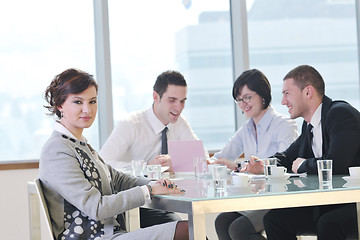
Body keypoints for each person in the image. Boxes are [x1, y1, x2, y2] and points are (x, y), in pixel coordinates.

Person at [39, 68, 189, 240]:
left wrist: (156, 183)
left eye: (92, 101)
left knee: (188, 229)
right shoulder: (57, 149)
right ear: (60, 105)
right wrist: (148, 190)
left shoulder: (80, 145)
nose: (87, 110)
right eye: (78, 102)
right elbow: (95, 207)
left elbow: (117, 179)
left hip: (110, 233)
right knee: (187, 231)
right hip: (93, 237)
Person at [244, 65, 360, 240]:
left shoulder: (340, 114)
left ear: (308, 92)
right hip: (328, 204)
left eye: (287, 93)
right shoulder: (309, 125)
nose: (283, 101)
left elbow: (336, 164)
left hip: (353, 205)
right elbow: (288, 157)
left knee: (328, 223)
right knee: (275, 220)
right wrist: (263, 164)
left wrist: (303, 165)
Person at [100, 70, 204, 228]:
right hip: (131, 206)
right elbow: (104, 162)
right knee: (186, 231)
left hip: (161, 202)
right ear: (156, 97)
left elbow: (200, 159)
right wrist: (144, 167)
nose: (179, 107)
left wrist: (176, 161)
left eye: (183, 101)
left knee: (191, 231)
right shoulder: (131, 124)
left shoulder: (179, 123)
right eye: (172, 100)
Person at [213, 69, 299, 240]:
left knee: (240, 229)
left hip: (280, 197)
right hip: (258, 197)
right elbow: (221, 157)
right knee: (222, 221)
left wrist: (243, 166)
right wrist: (211, 162)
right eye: (239, 99)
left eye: (248, 97)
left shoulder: (284, 125)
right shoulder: (246, 128)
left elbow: (288, 163)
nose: (243, 103)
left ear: (263, 95)